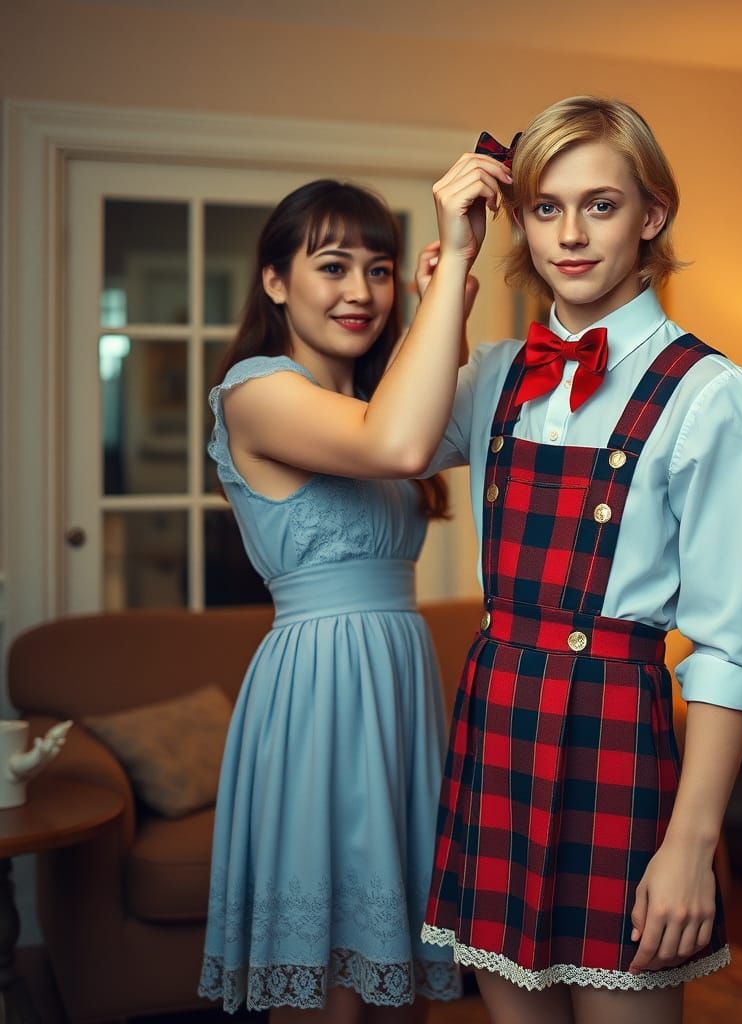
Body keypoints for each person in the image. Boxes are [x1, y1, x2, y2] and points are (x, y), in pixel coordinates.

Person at [417, 96, 742, 1023]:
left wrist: (690, 843)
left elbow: (730, 650)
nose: (571, 235)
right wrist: (451, 274)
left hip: (616, 738)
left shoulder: (719, 399)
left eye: (602, 205)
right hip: (496, 721)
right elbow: (399, 442)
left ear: (652, 216)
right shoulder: (494, 373)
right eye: (545, 207)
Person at [198, 163, 509, 1022]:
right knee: (326, 992)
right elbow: (400, 444)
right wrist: (444, 294)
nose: (360, 290)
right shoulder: (257, 392)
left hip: (396, 682)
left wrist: (451, 287)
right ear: (275, 280)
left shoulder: (377, 400)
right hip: (321, 688)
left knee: (389, 978)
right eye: (332, 265)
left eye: (378, 269)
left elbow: (444, 420)